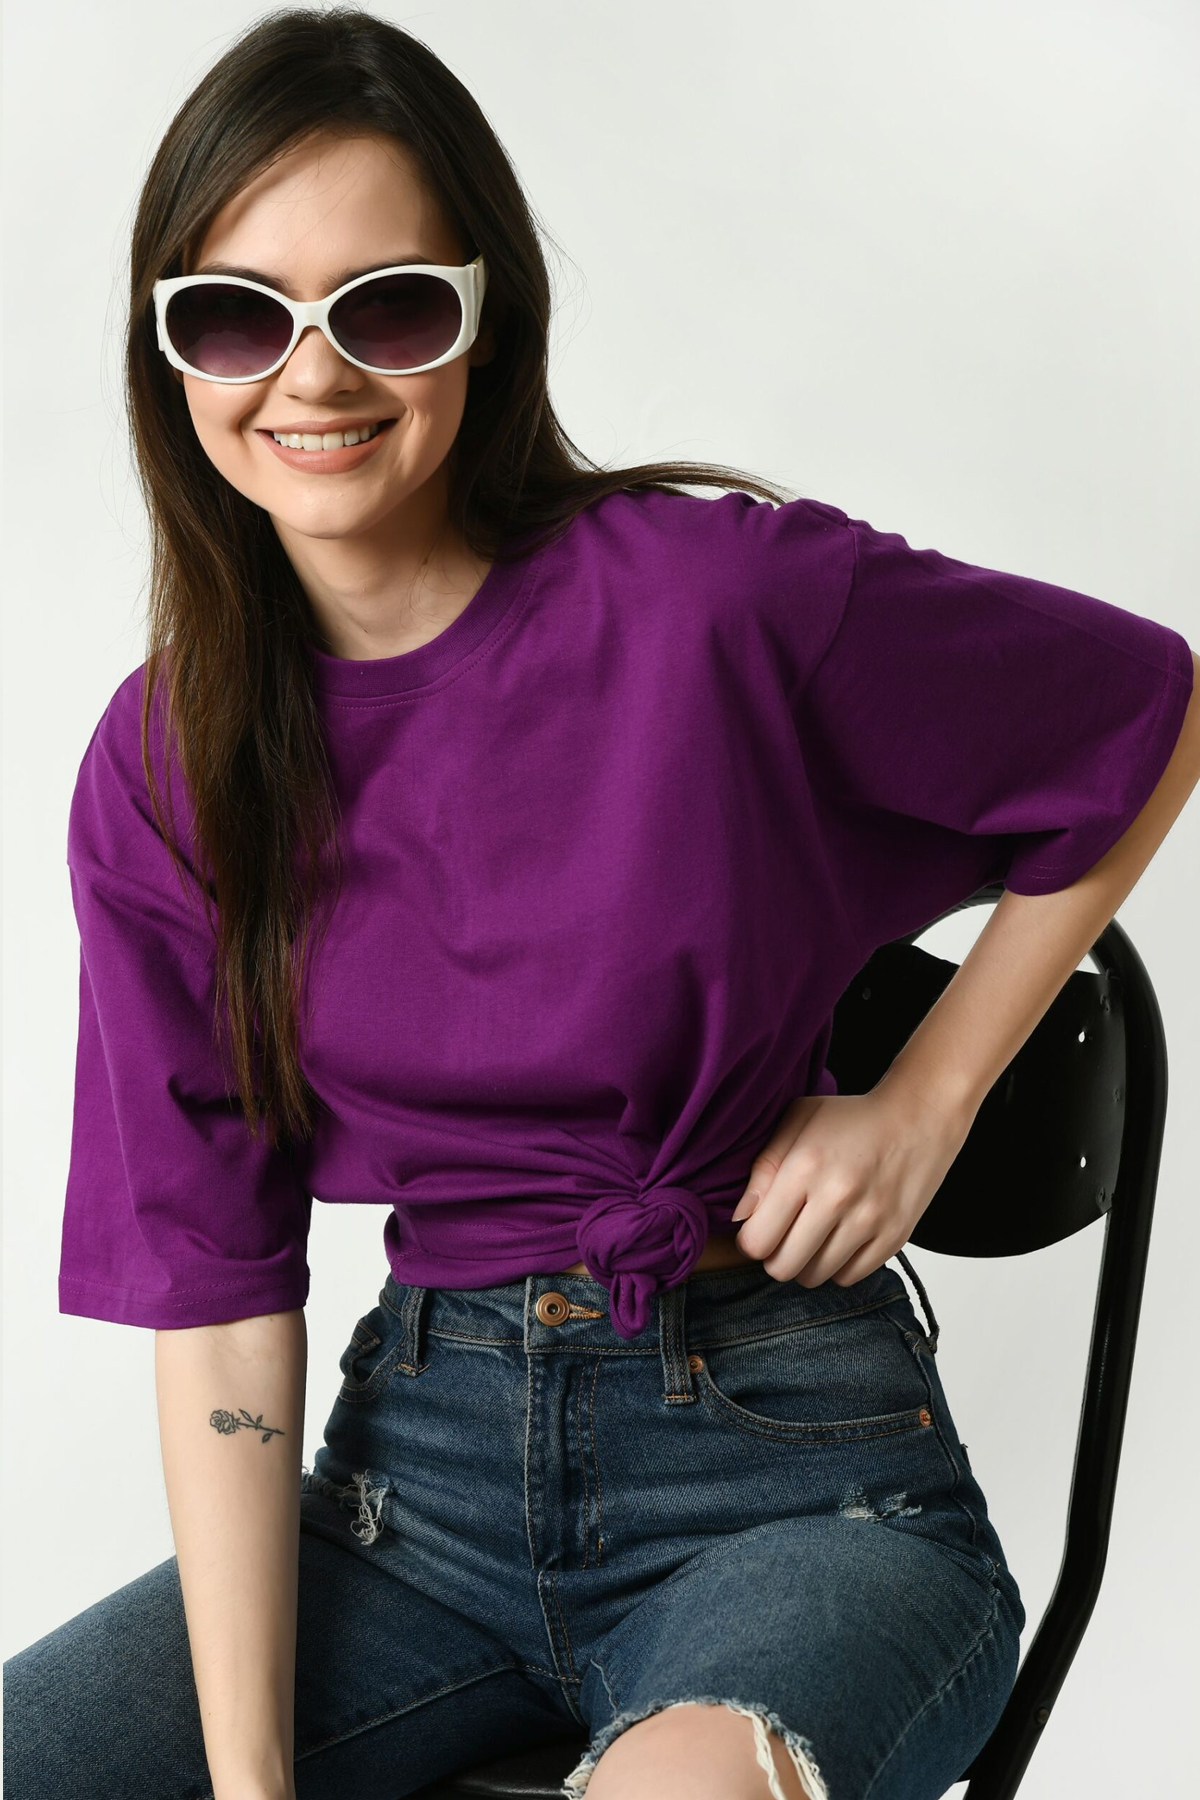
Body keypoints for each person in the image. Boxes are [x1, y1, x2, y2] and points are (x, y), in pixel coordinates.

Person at [6, 9, 1199, 1800]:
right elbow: (220, 1296)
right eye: (239, 316)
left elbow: (1147, 708)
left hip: (794, 1476)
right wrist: (251, 1784)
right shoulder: (169, 765)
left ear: (485, 320)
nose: (311, 378)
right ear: (169, 352)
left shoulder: (712, 603)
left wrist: (926, 1101)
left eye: (386, 307)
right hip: (415, 1499)